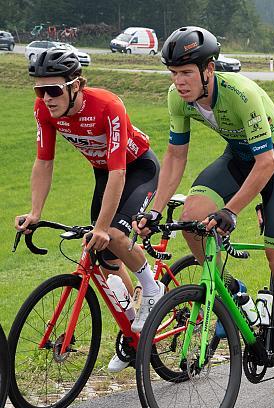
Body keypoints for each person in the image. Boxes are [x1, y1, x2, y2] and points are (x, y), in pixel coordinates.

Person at [132, 26, 274, 399]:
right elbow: (174, 157)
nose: (179, 82)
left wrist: (231, 210)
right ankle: (230, 291)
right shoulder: (177, 99)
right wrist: (152, 210)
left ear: (208, 70)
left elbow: (265, 164)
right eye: (173, 73)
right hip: (238, 157)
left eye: (186, 73)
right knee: (193, 217)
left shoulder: (240, 94)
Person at [16, 47, 163, 372]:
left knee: (110, 234)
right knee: (104, 258)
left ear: (76, 85)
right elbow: (44, 161)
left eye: (53, 90)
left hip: (136, 169)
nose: (46, 98)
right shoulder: (45, 110)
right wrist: (35, 212)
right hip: (103, 172)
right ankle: (133, 334)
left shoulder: (107, 106)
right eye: (39, 90)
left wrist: (103, 226)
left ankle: (152, 289)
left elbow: (119, 171)